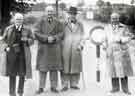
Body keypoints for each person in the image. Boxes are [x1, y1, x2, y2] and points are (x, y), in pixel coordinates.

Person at [34, 6, 64, 94]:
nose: (49, 13)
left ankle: (54, 87)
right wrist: (46, 38)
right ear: (45, 12)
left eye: (51, 11)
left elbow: (62, 33)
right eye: (48, 11)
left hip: (54, 48)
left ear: (53, 12)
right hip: (44, 48)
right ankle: (41, 87)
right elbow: (36, 32)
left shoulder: (58, 22)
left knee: (54, 69)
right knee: (42, 69)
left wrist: (54, 38)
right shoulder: (40, 22)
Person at [3, 13, 33, 96]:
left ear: (22, 20)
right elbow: (3, 40)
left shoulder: (27, 29)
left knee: (22, 74)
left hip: (23, 55)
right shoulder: (8, 29)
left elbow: (32, 39)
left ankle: (20, 92)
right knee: (12, 74)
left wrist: (27, 40)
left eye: (20, 19)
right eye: (17, 19)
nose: (18, 21)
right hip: (11, 54)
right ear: (14, 20)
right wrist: (6, 47)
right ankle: (12, 93)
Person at [103, 12, 133, 95]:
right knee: (112, 70)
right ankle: (115, 88)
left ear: (118, 19)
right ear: (110, 19)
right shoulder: (107, 28)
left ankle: (125, 89)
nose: (114, 20)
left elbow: (129, 37)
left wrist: (121, 40)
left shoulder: (123, 27)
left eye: (116, 18)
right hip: (111, 51)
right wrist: (104, 45)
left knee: (123, 71)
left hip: (121, 51)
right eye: (113, 18)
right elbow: (104, 38)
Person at [61, 6, 84, 91]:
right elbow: (60, 35)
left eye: (74, 14)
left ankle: (74, 83)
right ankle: (64, 84)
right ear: (68, 14)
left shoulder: (80, 24)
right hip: (65, 48)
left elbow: (83, 36)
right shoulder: (63, 24)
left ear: (76, 15)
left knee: (76, 65)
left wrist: (81, 45)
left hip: (76, 48)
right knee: (65, 65)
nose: (72, 16)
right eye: (71, 14)